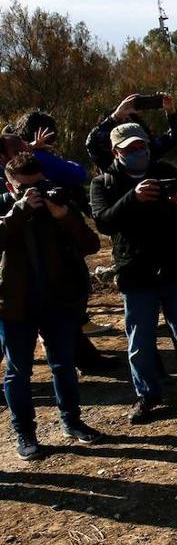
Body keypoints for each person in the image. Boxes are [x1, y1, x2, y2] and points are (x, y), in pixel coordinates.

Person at [90, 123, 177, 424]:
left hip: (176, 269)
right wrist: (133, 198)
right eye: (130, 149)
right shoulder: (104, 182)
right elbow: (103, 222)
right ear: (116, 151)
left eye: (141, 146)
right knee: (140, 342)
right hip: (136, 274)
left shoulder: (165, 169)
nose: (138, 153)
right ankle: (147, 395)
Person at [0, 153, 104, 460]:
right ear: (10, 184)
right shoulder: (4, 206)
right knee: (18, 372)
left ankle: (72, 421)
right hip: (14, 305)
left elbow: (91, 244)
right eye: (25, 187)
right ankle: (25, 433)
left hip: (58, 300)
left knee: (64, 364)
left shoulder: (57, 203)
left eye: (39, 184)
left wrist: (63, 217)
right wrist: (18, 211)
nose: (34, 192)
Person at [85, 93, 177, 171]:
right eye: (120, 122)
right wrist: (115, 117)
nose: (126, 126)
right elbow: (91, 142)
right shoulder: (106, 156)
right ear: (115, 152)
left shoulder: (148, 148)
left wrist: (171, 110)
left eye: (129, 121)